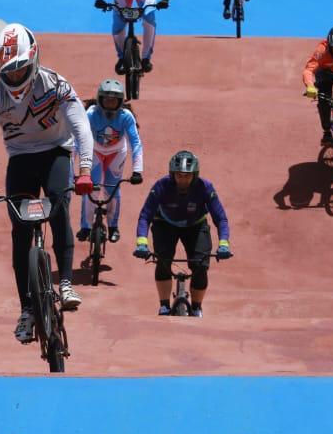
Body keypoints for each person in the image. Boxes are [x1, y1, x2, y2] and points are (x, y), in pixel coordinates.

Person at [0, 22, 96, 344]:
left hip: (55, 152)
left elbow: (81, 127)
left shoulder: (56, 85)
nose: (13, 78)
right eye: (6, 72)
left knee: (59, 206)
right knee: (20, 229)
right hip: (21, 159)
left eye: (19, 70)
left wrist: (84, 170)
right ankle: (27, 308)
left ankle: (66, 282)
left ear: (34, 60)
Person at [132, 150, 232, 318]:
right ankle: (164, 306)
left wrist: (224, 243)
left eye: (187, 176)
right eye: (179, 175)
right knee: (163, 260)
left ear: (195, 175)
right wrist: (141, 242)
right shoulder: (161, 186)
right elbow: (145, 216)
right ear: (172, 175)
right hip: (165, 223)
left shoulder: (205, 188)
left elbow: (220, 218)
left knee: (200, 266)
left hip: (195, 225)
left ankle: (196, 307)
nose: (183, 180)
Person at [78, 79, 144, 245]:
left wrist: (137, 171)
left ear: (120, 101)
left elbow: (135, 143)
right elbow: (78, 141)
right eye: (106, 99)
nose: (109, 104)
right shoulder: (91, 114)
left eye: (113, 100)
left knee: (112, 190)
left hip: (117, 153)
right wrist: (71, 169)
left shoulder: (126, 117)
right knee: (90, 189)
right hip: (94, 151)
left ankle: (113, 226)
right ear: (99, 99)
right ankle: (85, 226)